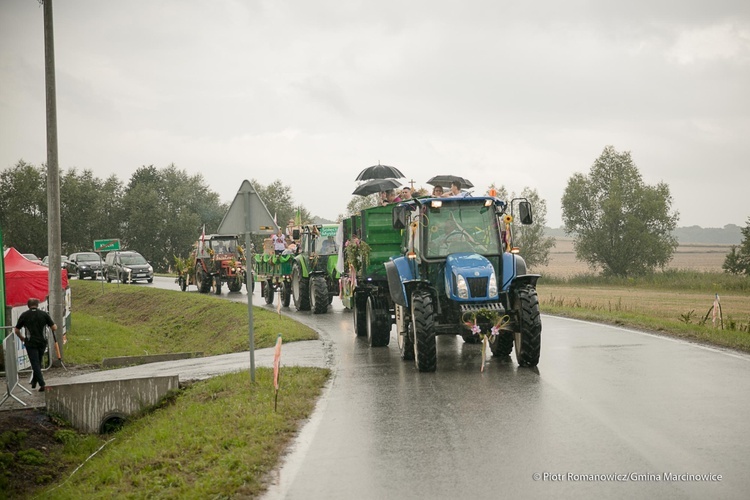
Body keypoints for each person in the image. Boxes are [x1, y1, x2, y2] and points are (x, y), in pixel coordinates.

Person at [14, 298, 56, 392]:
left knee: (35, 363)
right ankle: (34, 381)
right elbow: (54, 327)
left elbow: (16, 330)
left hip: (30, 342)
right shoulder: (44, 314)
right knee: (38, 362)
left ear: (28, 305)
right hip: (42, 342)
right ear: (37, 305)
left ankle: (42, 384)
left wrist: (21, 337)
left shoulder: (24, 315)